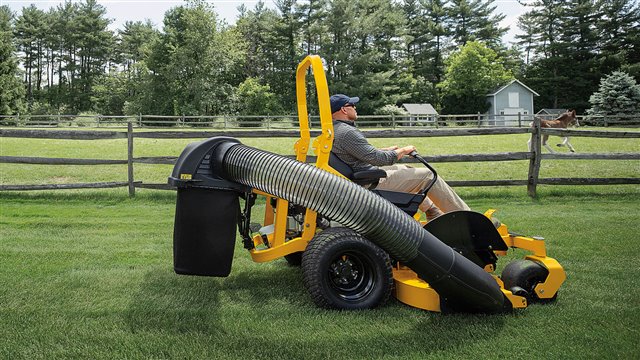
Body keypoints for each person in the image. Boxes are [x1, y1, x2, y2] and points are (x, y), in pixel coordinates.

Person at [329, 94, 470, 220]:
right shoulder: (347, 132)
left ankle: (433, 211)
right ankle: (469, 220)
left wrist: (386, 150)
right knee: (427, 176)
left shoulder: (334, 130)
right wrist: (404, 150)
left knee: (406, 168)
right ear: (344, 109)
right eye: (352, 105)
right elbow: (379, 159)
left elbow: (357, 153)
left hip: (362, 177)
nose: (355, 107)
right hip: (370, 182)